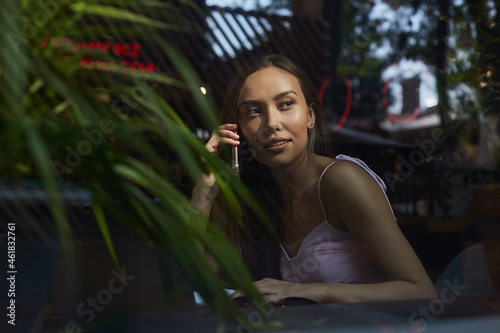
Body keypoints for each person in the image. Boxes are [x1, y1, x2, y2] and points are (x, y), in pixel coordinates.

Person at [192, 54, 437, 304]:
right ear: (239, 131)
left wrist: (311, 291)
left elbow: (420, 290)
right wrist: (203, 191)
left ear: (310, 116)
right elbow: (196, 279)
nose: (271, 123)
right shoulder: (260, 201)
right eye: (253, 111)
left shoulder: (341, 180)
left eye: (285, 104)